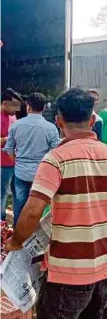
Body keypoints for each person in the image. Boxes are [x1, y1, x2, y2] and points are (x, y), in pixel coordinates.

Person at [5, 88, 107, 319]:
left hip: (68, 272)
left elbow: (33, 209)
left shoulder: (56, 160)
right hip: (105, 266)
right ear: (92, 120)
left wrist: (16, 241)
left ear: (59, 120)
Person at [3, 93, 60, 225]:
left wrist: (17, 162)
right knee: (39, 208)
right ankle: (36, 236)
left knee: (19, 206)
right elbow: (56, 152)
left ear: (28, 107)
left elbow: (9, 149)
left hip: (21, 173)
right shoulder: (51, 128)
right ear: (44, 108)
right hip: (41, 175)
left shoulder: (17, 125)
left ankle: (18, 238)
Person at [1, 88, 22, 221]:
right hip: (2, 165)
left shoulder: (13, 115)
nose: (16, 109)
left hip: (15, 163)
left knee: (17, 195)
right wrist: (12, 138)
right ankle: (1, 224)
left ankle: (17, 224)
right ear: (4, 103)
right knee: (2, 195)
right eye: (14, 105)